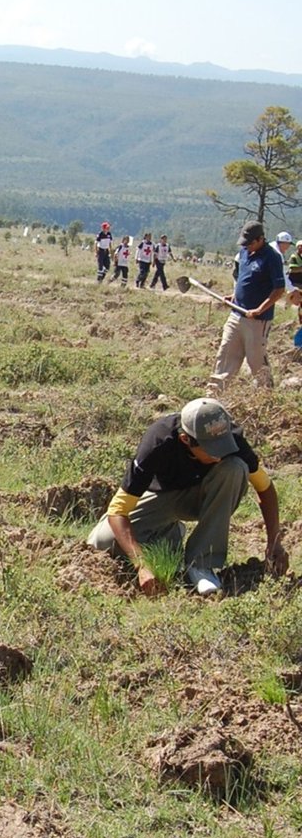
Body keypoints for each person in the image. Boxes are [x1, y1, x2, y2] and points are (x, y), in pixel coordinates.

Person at [87, 397, 288, 599]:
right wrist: (142, 564)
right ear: (186, 439)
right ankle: (169, 535)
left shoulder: (232, 438)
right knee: (103, 541)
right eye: (211, 449)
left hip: (205, 496)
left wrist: (274, 541)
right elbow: (118, 511)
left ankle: (202, 565)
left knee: (235, 468)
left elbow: (265, 488)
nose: (218, 455)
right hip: (161, 496)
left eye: (222, 446)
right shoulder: (158, 442)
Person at [208, 221, 285, 391]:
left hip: (257, 321)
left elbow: (279, 289)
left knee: (256, 360)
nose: (246, 246)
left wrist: (259, 309)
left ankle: (265, 395)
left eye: (250, 243)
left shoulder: (272, 257)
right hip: (236, 315)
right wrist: (234, 296)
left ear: (261, 239)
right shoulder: (244, 253)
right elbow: (243, 280)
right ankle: (214, 395)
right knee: (225, 353)